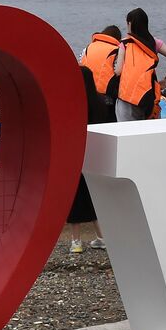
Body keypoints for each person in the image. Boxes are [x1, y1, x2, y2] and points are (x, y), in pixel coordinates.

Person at [67, 63, 115, 253]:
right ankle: (101, 237)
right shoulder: (102, 102)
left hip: (77, 154)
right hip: (97, 154)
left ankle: (76, 241)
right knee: (94, 195)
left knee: (75, 196)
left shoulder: (72, 104)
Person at [113, 8, 166, 122]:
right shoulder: (154, 42)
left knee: (127, 132)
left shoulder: (125, 43)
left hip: (127, 96)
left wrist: (114, 68)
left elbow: (119, 71)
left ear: (130, 23)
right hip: (148, 95)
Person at [80, 25, 121, 112]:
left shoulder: (88, 48)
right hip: (106, 99)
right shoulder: (117, 51)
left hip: (84, 94)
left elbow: (80, 65)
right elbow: (119, 72)